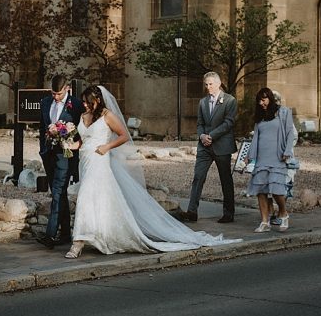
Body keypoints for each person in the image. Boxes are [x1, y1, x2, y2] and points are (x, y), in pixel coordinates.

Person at [63, 85, 236, 258]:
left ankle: (77, 243)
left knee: (85, 197)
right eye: (84, 102)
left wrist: (107, 146)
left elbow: (124, 136)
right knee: (98, 200)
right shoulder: (83, 116)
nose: (85, 105)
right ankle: (101, 236)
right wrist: (71, 145)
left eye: (88, 102)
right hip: (85, 162)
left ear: (98, 100)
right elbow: (84, 141)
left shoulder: (107, 116)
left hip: (100, 162)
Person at [35, 75, 83, 249]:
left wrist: (72, 143)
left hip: (66, 155)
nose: (55, 97)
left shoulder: (76, 105)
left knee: (57, 192)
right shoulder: (45, 102)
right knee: (60, 193)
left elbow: (82, 130)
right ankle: (65, 235)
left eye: (59, 93)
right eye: (53, 93)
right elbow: (42, 127)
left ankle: (50, 234)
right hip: (48, 153)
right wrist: (43, 148)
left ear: (67, 88)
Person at [184, 72, 237, 223]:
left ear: (219, 84)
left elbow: (228, 123)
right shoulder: (202, 102)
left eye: (211, 84)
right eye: (206, 84)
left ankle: (228, 213)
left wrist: (211, 136)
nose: (208, 87)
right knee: (198, 177)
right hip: (204, 147)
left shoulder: (230, 101)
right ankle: (192, 211)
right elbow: (200, 123)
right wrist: (202, 136)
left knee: (225, 179)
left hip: (222, 146)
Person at [244, 88, 296, 232]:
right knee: (261, 190)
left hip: (277, 157)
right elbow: (256, 138)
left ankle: (284, 213)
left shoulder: (283, 112)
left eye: (264, 99)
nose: (262, 103)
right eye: (259, 100)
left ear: (270, 98)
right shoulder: (260, 117)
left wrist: (287, 151)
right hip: (262, 157)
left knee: (277, 190)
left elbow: (290, 133)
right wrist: (249, 155)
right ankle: (264, 222)